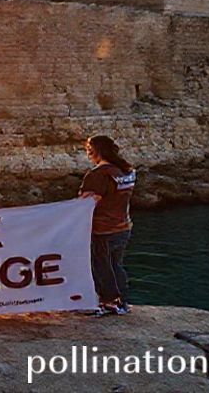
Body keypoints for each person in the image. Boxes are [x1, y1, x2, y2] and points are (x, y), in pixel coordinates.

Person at [79, 135, 137, 316]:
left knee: (101, 265)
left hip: (103, 229)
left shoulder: (98, 175)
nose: (88, 154)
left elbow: (86, 203)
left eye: (89, 150)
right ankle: (122, 301)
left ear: (97, 151)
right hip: (123, 226)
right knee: (116, 265)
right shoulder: (126, 172)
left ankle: (108, 302)